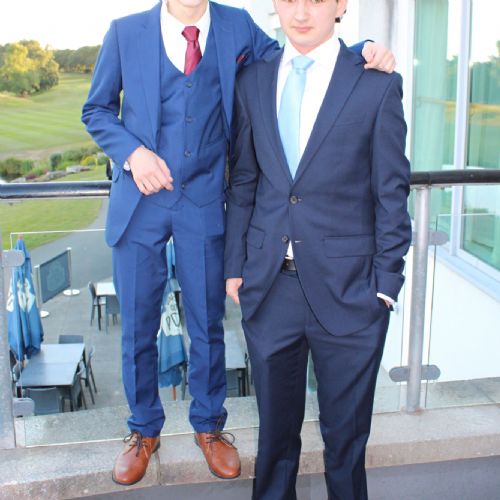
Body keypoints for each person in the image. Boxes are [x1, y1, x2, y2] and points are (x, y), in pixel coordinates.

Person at [82, 0, 396, 487]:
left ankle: (209, 425)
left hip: (205, 202)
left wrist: (363, 49)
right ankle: (143, 429)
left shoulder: (238, 25)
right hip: (140, 203)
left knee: (208, 324)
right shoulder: (124, 32)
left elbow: (302, 50)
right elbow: (96, 109)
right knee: (137, 327)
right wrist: (132, 153)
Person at [224, 0, 412, 498]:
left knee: (346, 446)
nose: (301, 12)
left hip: (353, 293)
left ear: (341, 4)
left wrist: (386, 286)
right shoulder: (252, 81)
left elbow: (391, 192)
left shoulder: (376, 84)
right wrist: (235, 266)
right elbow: (244, 182)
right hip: (269, 289)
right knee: (274, 443)